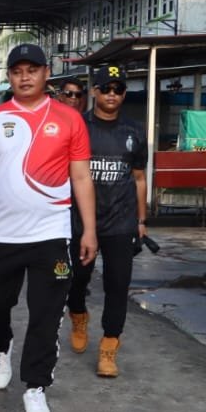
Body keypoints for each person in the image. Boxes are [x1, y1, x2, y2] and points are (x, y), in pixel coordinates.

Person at [0, 43, 96, 412]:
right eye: (17, 71)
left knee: (46, 314)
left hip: (50, 234)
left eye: (32, 69)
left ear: (47, 73)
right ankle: (1, 347)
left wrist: (88, 230)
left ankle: (36, 386)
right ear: (9, 76)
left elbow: (80, 176)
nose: (24, 76)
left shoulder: (69, 119)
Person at [64, 65, 147, 377]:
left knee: (117, 285)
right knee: (76, 280)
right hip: (81, 222)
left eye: (118, 89)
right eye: (106, 88)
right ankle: (78, 314)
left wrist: (141, 220)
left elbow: (139, 178)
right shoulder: (78, 126)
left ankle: (109, 348)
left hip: (121, 222)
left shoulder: (134, 132)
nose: (112, 94)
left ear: (124, 94)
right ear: (94, 91)